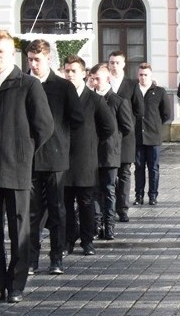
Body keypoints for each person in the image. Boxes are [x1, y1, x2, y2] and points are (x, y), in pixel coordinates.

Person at [0, 30, 54, 305]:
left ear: (12, 53)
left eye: (1, 51)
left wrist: (24, 152)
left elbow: (44, 126)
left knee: (20, 229)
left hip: (17, 168)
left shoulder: (28, 84)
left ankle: (17, 284)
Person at [27, 40, 84, 275]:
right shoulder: (23, 83)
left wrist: (61, 135)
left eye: (37, 59)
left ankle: (56, 258)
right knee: (32, 212)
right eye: (29, 59)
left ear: (48, 59)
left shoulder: (63, 87)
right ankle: (30, 259)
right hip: (29, 158)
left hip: (55, 157)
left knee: (57, 209)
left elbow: (77, 119)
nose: (33, 64)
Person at [61, 57, 115, 257]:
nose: (69, 74)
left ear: (84, 74)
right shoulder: (60, 96)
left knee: (86, 203)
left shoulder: (94, 100)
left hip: (85, 160)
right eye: (67, 71)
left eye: (74, 71)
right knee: (65, 204)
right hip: (63, 160)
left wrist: (92, 142)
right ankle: (68, 240)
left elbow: (109, 127)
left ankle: (87, 240)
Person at [91, 64, 133, 241]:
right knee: (94, 191)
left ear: (107, 79)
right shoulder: (90, 99)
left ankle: (109, 226)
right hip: (91, 153)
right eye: (91, 79)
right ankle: (95, 225)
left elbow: (127, 127)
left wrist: (114, 140)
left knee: (108, 190)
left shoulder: (117, 101)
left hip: (109, 153)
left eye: (97, 79)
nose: (94, 82)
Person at [107, 51, 143, 223]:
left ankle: (123, 208)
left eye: (117, 63)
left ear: (123, 65)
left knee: (124, 173)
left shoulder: (131, 84)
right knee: (108, 175)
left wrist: (128, 123)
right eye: (111, 62)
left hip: (126, 137)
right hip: (107, 136)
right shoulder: (104, 82)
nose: (113, 66)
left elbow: (139, 109)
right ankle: (109, 207)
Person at [134, 63, 171, 206]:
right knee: (138, 168)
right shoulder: (134, 91)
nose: (143, 77)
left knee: (153, 167)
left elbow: (166, 113)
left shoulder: (159, 91)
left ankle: (153, 195)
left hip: (153, 136)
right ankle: (138, 195)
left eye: (145, 75)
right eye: (141, 75)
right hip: (137, 136)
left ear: (151, 76)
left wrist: (155, 124)